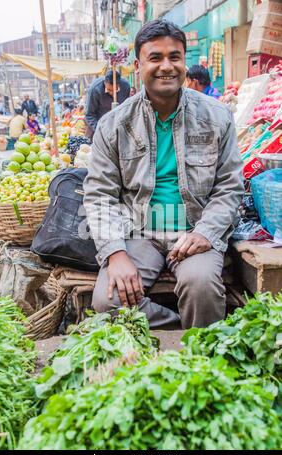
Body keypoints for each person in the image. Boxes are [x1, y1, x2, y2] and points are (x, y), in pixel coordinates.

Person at [84, 19, 244, 330]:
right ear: (137, 65)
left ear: (185, 62)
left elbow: (230, 187)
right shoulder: (114, 124)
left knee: (201, 287)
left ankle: (201, 352)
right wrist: (115, 253)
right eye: (155, 58)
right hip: (139, 232)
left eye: (175, 57)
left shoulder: (217, 116)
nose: (166, 66)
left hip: (194, 232)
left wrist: (205, 233)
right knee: (108, 301)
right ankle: (178, 330)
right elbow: (99, 193)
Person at [85, 70, 130, 140]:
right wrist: (100, 130)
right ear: (105, 82)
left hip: (118, 131)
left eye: (115, 90)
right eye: (109, 90)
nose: (112, 93)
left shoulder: (125, 86)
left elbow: (126, 109)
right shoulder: (95, 90)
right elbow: (89, 115)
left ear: (119, 84)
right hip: (98, 130)